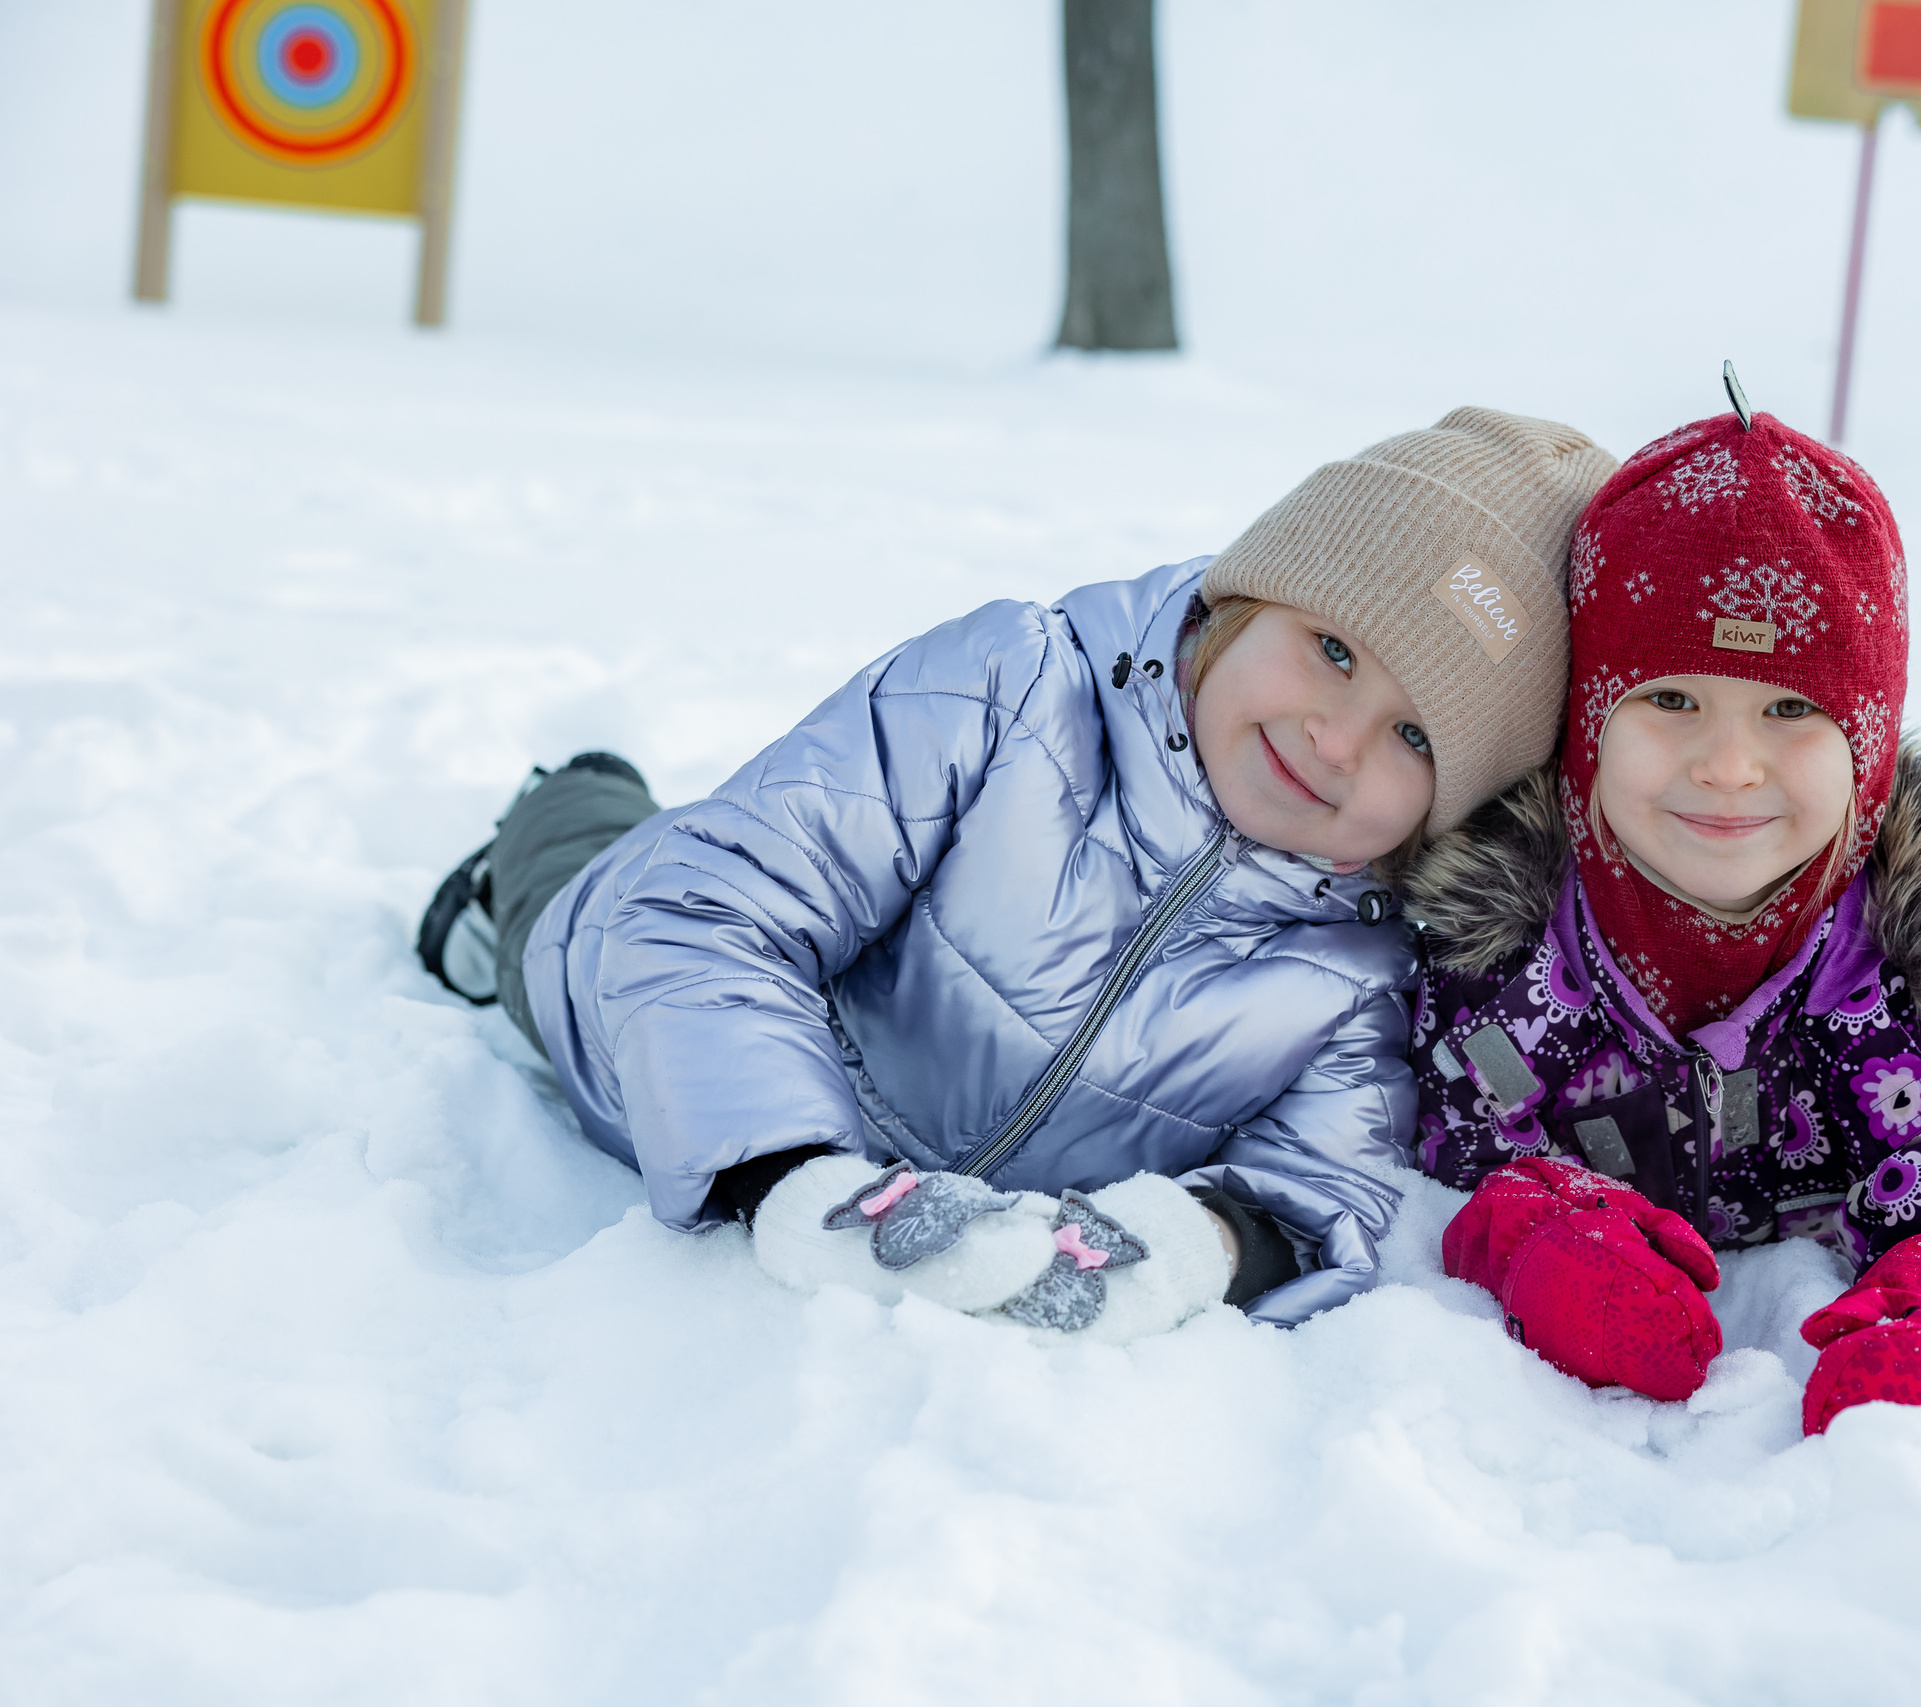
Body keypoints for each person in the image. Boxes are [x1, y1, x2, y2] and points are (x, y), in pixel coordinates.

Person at [417, 408, 1618, 1341]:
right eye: (1335, 649)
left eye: (1417, 739)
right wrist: (789, 1176)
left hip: (928, 1193)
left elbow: (1318, 1188)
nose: (1337, 738)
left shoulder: (1362, 962)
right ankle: (559, 807)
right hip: (633, 1007)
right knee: (585, 870)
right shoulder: (1013, 690)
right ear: (1252, 595)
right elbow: (704, 911)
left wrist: (1191, 1246)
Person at [1402, 405, 1921, 1430]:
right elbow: (1459, 1141)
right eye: (1672, 701)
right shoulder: (1504, 960)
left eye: (1788, 711)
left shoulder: (1911, 986)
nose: (1727, 768)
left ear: (1865, 746)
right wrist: (1543, 1239)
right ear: (1589, 724)